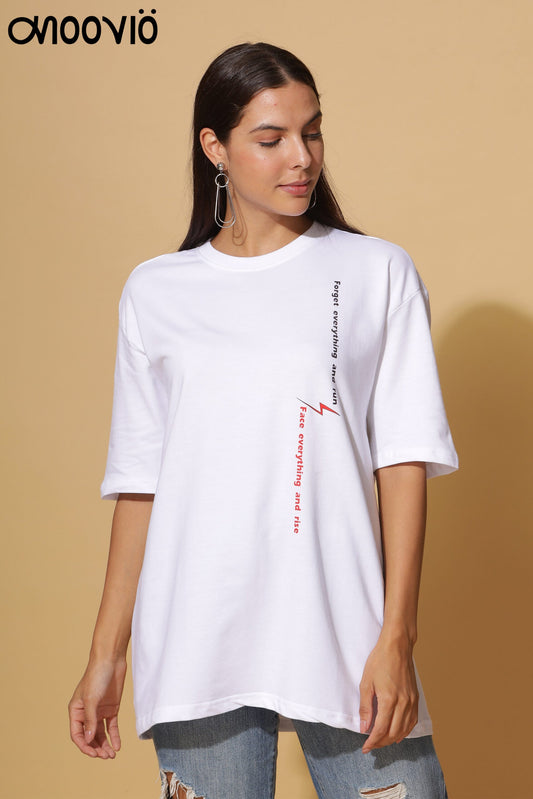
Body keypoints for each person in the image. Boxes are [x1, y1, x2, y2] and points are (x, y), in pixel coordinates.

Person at [69, 42, 458, 799]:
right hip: (194, 640)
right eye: (271, 138)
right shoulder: (157, 291)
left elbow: (402, 460)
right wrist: (106, 655)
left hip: (344, 632)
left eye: (311, 132)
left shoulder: (376, 271)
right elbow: (141, 483)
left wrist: (396, 637)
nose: (301, 157)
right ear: (215, 147)